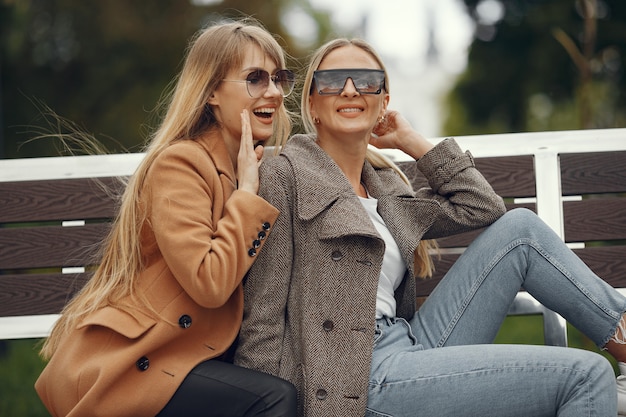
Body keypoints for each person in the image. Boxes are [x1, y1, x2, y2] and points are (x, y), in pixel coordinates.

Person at [234, 37, 626, 417]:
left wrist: (411, 141)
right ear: (313, 104)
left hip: (410, 344)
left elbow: (482, 207)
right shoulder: (285, 176)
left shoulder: (386, 186)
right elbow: (263, 316)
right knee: (587, 376)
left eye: (367, 81)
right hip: (353, 379)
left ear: (383, 101)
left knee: (520, 229)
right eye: (333, 81)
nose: (350, 90)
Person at [35, 20, 299, 417]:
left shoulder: (254, 166)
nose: (274, 92)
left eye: (279, 78)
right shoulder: (182, 163)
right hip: (136, 368)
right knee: (274, 399)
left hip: (191, 358)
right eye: (256, 78)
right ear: (211, 91)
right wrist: (245, 195)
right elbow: (209, 283)